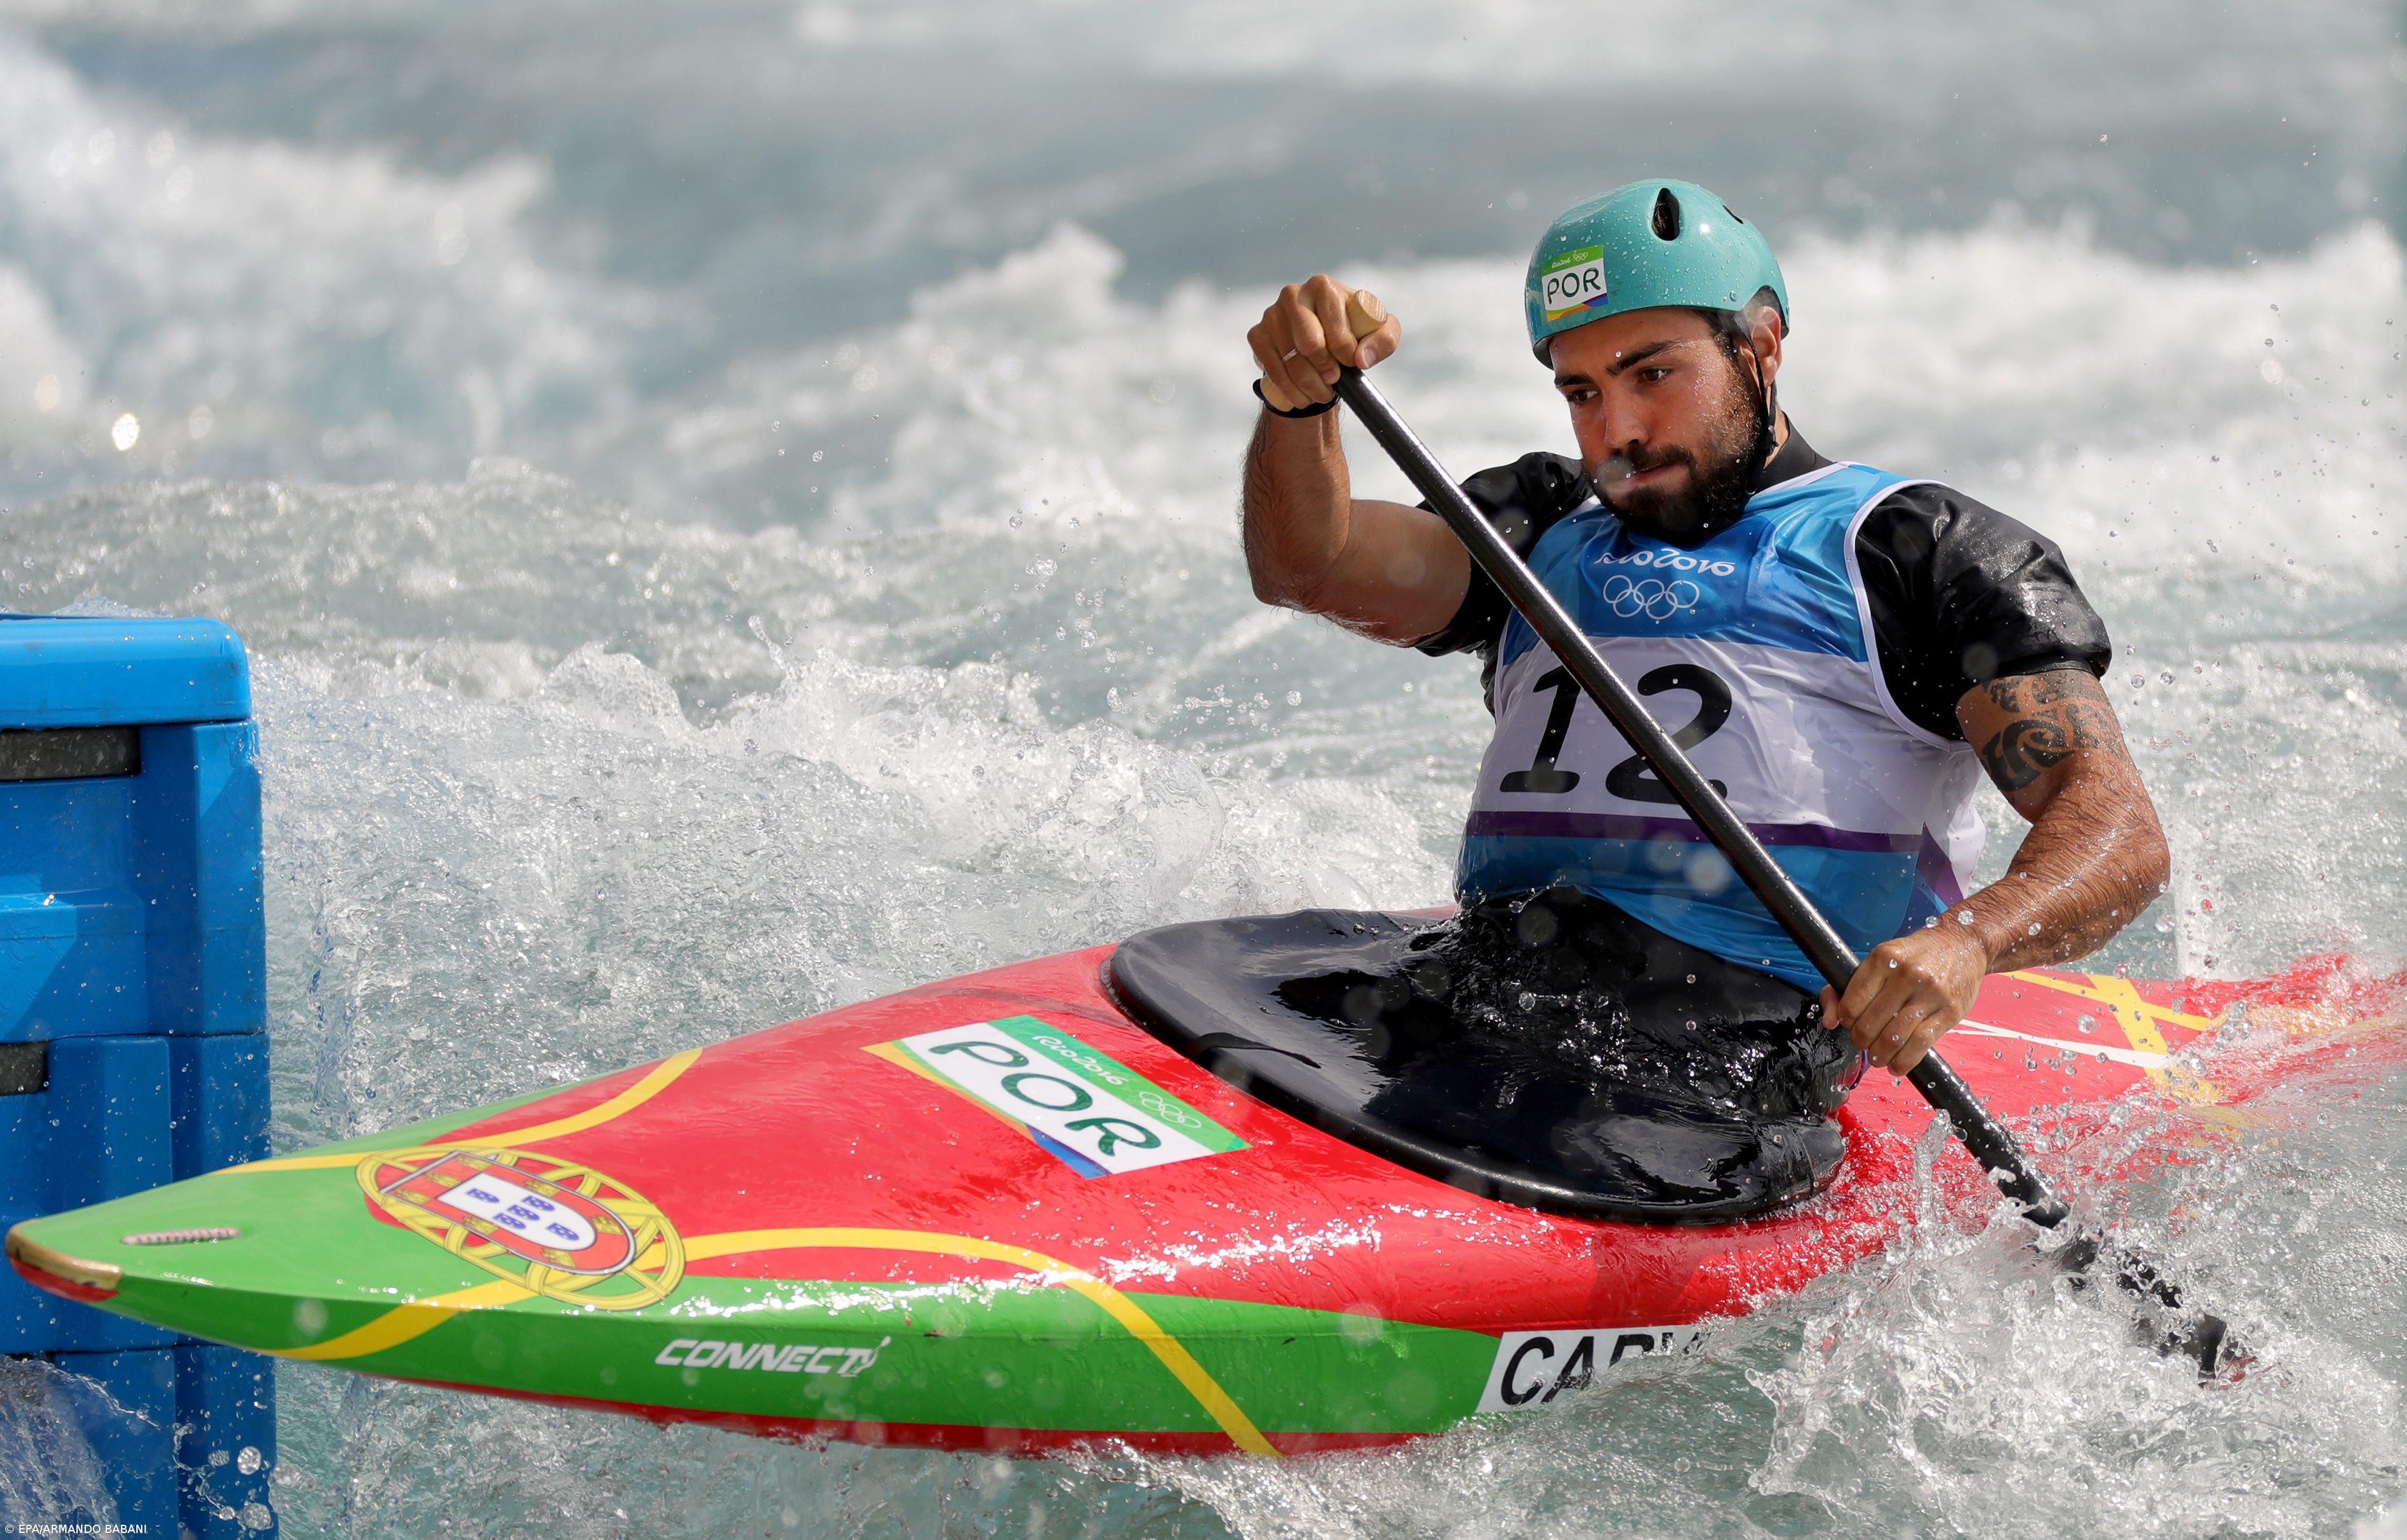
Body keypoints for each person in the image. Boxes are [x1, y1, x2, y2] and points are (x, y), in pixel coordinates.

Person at [1236, 179, 2169, 1207]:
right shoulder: (1541, 527)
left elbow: (2119, 828)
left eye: (1653, 373)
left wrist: (1968, 941)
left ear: (1761, 346)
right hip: (1467, 991)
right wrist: (1299, 402)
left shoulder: (1921, 553)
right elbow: (1308, 563)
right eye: (1582, 391)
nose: (1619, 429)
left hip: (1711, 1067)